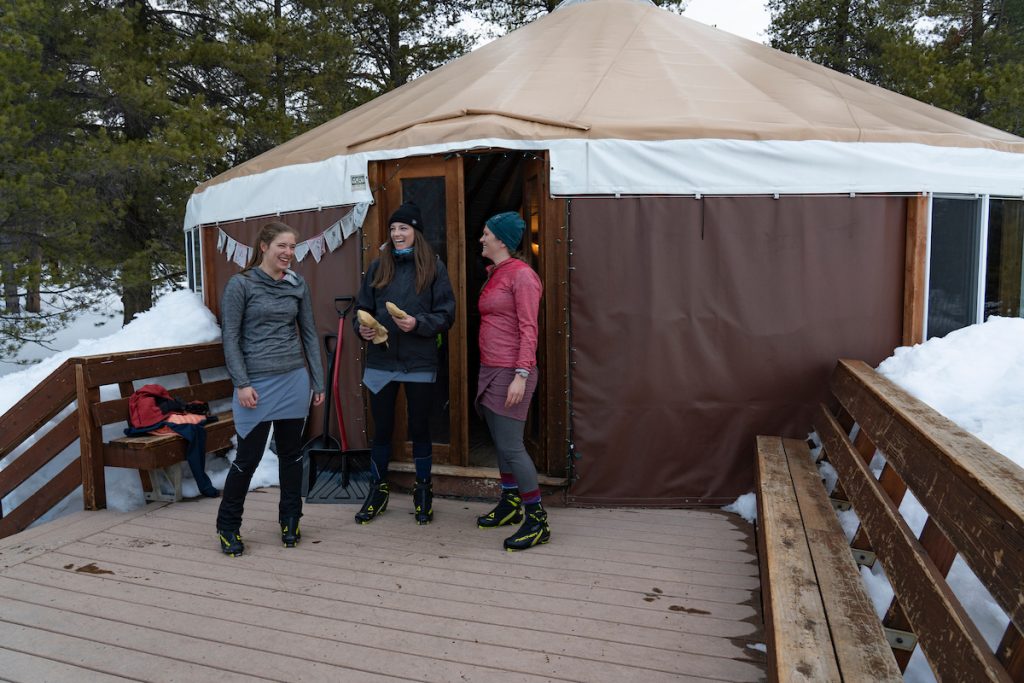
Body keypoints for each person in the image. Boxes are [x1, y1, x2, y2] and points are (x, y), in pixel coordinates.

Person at [215, 221, 324, 557]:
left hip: (293, 379)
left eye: (292, 247)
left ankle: (291, 519)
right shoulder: (241, 285)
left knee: (291, 456)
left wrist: (317, 380)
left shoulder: (296, 284)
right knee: (247, 459)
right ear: (263, 246)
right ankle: (228, 527)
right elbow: (230, 338)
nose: (288, 253)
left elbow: (308, 333)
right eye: (282, 246)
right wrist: (241, 383)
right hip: (256, 386)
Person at [354, 201, 455, 525]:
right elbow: (363, 306)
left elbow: (446, 314)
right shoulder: (377, 266)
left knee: (419, 427)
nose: (397, 234)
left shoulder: (434, 267)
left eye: (404, 228)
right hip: (381, 360)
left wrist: (419, 324)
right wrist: (363, 329)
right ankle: (377, 490)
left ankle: (423, 490)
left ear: (416, 232)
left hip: (419, 360)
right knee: (381, 429)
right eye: (394, 228)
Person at [475, 211, 549, 551]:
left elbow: (528, 327)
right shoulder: (497, 273)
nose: (482, 239)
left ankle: (536, 520)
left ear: (502, 240)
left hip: (511, 370)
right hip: (492, 369)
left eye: (487, 234)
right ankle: (509, 503)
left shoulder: (523, 276)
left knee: (511, 447)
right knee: (500, 443)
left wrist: (521, 374)